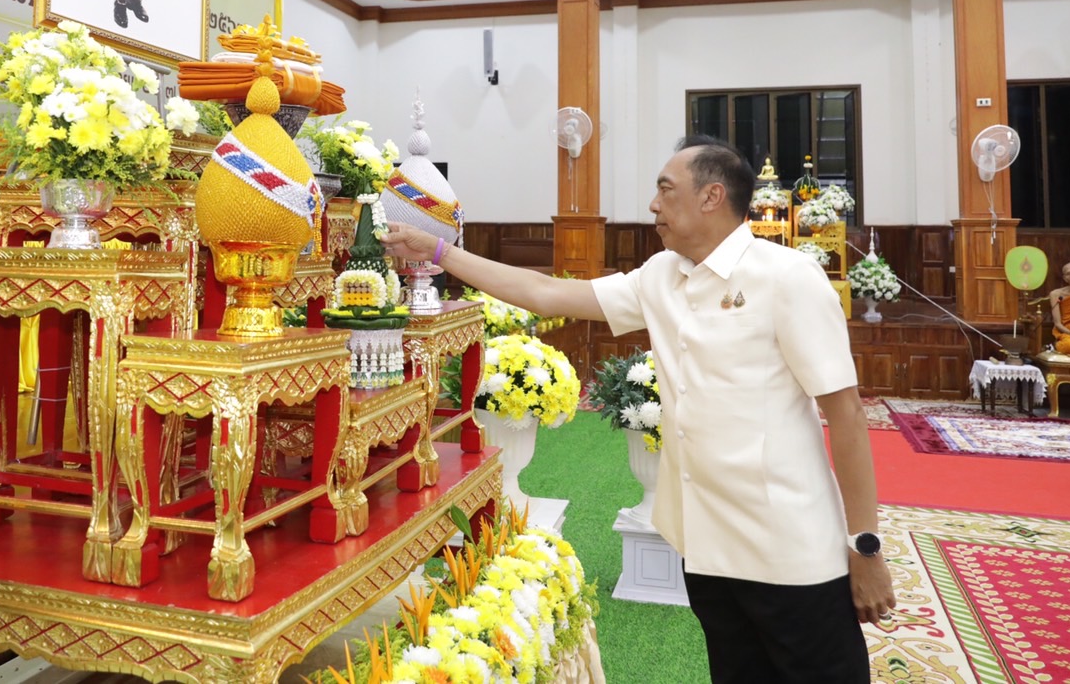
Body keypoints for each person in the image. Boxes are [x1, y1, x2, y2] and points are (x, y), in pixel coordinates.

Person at [381, 135, 894, 683]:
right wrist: (437, 251)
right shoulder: (662, 277)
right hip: (707, 549)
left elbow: (846, 416)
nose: (653, 205)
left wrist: (864, 546)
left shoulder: (787, 277)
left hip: (790, 551)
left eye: (666, 191)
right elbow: (545, 292)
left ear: (711, 197)